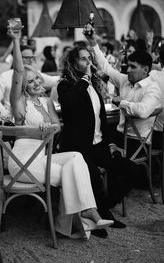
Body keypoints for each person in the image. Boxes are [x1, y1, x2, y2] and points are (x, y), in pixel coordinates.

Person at [7, 26, 113, 239]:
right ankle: (80, 217)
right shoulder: (18, 103)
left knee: (76, 158)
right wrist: (17, 40)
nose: (36, 83)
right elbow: (19, 72)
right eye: (30, 82)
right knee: (71, 173)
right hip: (24, 159)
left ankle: (85, 212)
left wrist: (49, 128)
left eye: (37, 79)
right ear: (23, 87)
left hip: (43, 157)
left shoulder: (46, 102)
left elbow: (57, 126)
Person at [57, 44, 138, 236]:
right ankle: (100, 215)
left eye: (89, 58)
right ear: (73, 62)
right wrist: (85, 78)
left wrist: (110, 143)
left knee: (131, 169)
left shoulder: (93, 85)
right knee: (92, 175)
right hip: (78, 148)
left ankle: (105, 206)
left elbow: (101, 119)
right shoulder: (65, 85)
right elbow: (69, 103)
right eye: (83, 58)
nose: (88, 62)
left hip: (99, 144)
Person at [83, 24, 162, 156]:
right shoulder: (125, 80)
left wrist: (121, 102)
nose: (128, 70)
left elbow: (142, 111)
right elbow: (106, 67)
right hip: (119, 136)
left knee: (98, 147)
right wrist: (92, 42)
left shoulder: (153, 88)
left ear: (145, 70)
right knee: (91, 141)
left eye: (133, 67)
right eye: (128, 66)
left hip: (138, 143)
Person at [0, 45, 60, 119]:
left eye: (31, 57)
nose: (30, 60)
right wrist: (5, 113)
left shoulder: (34, 74)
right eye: (26, 57)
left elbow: (54, 80)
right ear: (17, 58)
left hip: (34, 117)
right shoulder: (5, 76)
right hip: (13, 117)